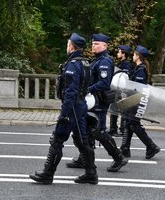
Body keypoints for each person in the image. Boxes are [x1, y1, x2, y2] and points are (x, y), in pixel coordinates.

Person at [29, 33, 98, 184]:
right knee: (82, 140)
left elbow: (71, 92)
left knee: (57, 139)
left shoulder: (73, 64)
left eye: (68, 44)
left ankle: (47, 174)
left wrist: (64, 114)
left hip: (72, 107)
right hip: (80, 106)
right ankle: (91, 173)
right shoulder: (85, 63)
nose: (67, 46)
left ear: (72, 46)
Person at [66, 33, 128, 172]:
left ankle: (119, 158)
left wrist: (87, 89)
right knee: (86, 130)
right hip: (92, 101)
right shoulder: (97, 60)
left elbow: (104, 83)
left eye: (97, 44)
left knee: (98, 131)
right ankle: (84, 159)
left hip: (99, 101)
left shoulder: (105, 61)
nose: (94, 46)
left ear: (105, 46)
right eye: (93, 44)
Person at [120, 45, 160, 159]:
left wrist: (127, 97)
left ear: (138, 56)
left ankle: (151, 146)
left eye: (134, 54)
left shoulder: (141, 70)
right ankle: (125, 148)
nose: (132, 56)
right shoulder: (138, 68)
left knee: (134, 125)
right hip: (133, 101)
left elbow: (138, 89)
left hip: (137, 101)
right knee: (129, 124)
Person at [108, 45, 133, 137]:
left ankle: (120, 129)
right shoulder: (120, 64)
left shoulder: (126, 65)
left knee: (120, 110)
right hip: (117, 90)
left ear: (123, 54)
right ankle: (113, 129)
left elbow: (124, 79)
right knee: (114, 109)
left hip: (121, 91)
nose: (117, 53)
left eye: (119, 52)